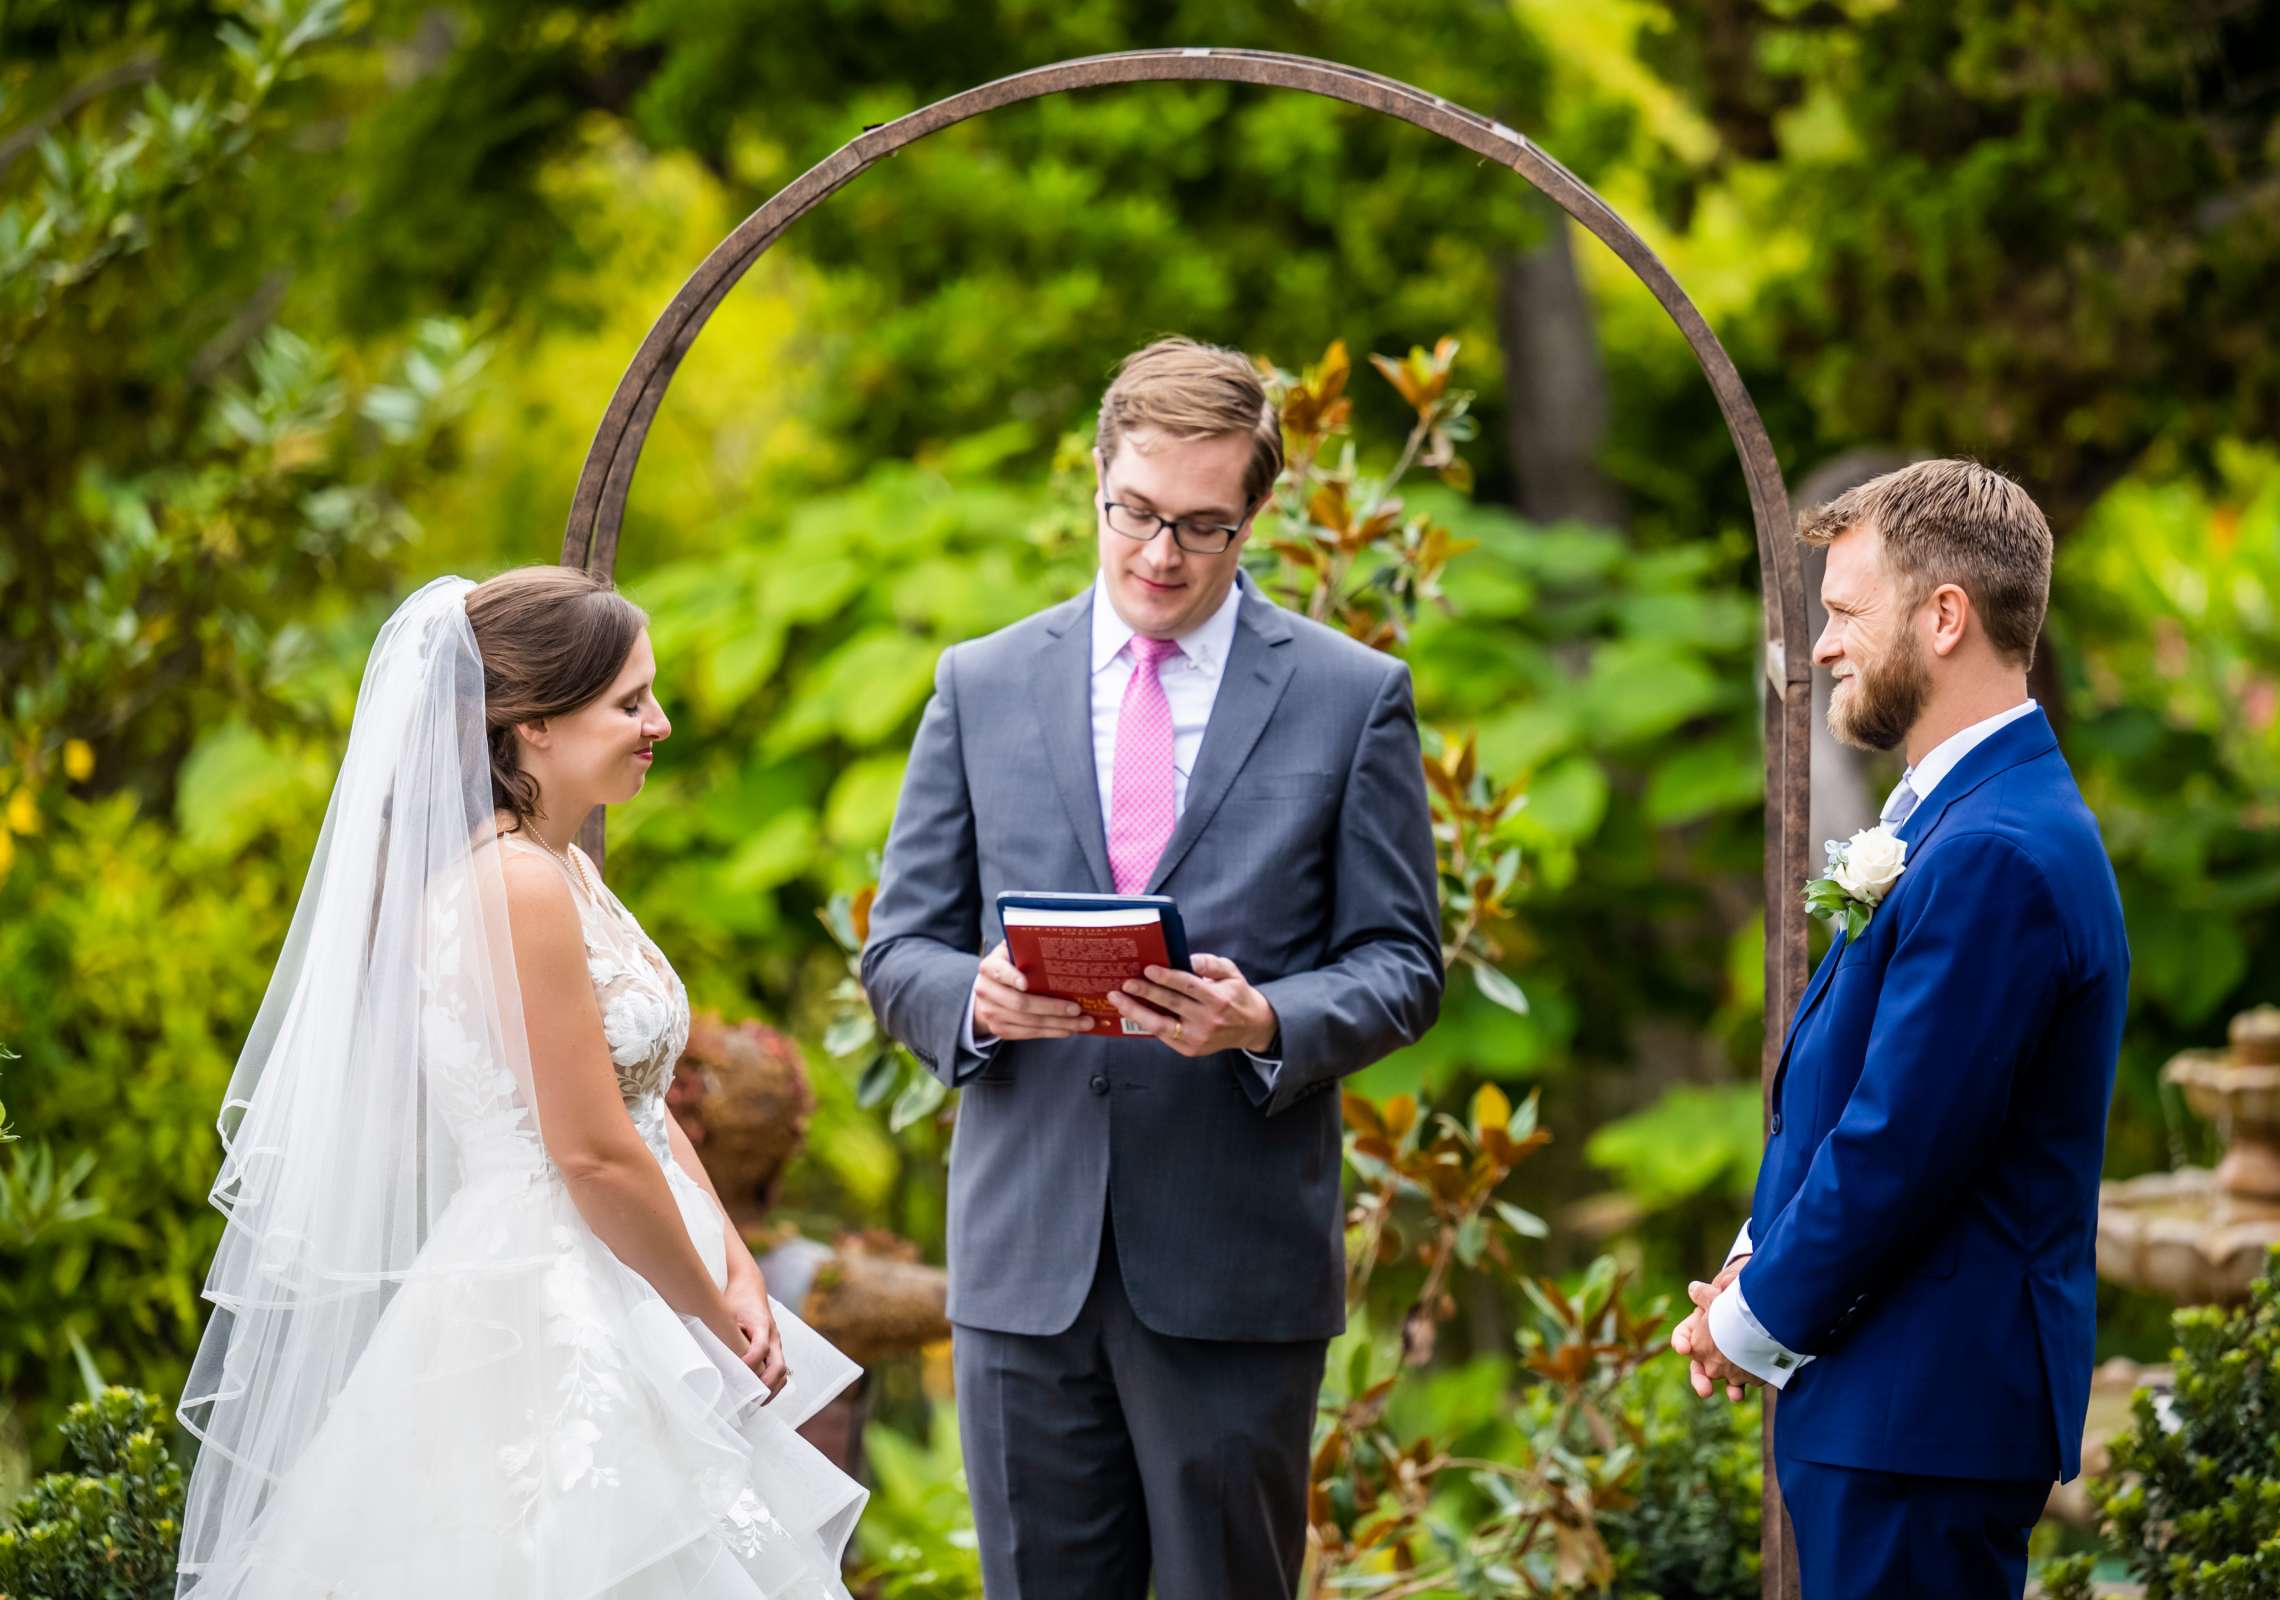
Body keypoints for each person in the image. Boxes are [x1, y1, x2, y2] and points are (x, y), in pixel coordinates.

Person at [862, 336, 1445, 1599]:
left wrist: (1265, 1019)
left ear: (1258, 515)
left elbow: (1403, 962)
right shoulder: (981, 683)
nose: (1159, 555)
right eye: (1134, 514)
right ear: (1096, 482)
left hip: (1233, 1268)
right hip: (1025, 1265)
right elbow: (897, 947)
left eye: (1201, 527)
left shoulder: (1354, 698)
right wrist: (973, 994)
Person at [176, 568, 864, 1598]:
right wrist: (709, 1324)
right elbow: (587, 1154)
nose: (659, 722)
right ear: (534, 725)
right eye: (631, 700)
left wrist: (735, 1265)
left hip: (645, 1262)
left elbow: (638, 1095)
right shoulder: (515, 885)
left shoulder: (562, 865)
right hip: (556, 1297)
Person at [1671, 460, 2130, 1598]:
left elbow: (1902, 1144)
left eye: (1841, 613)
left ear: (1943, 616)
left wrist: (1749, 1321)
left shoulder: (1997, 854)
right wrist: (1752, 1254)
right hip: (1897, 1405)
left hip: (1925, 1416)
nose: (1820, 646)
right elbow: (1858, 1091)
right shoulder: (1964, 818)